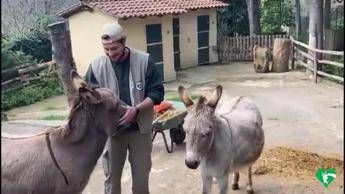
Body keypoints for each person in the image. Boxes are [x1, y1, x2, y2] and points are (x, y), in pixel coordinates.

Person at [85, 22, 164, 194]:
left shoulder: (144, 61)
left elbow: (157, 92)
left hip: (140, 130)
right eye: (106, 49)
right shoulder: (96, 67)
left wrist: (136, 110)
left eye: (114, 48)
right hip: (113, 134)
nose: (110, 53)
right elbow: (88, 100)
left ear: (124, 41)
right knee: (112, 181)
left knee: (141, 181)